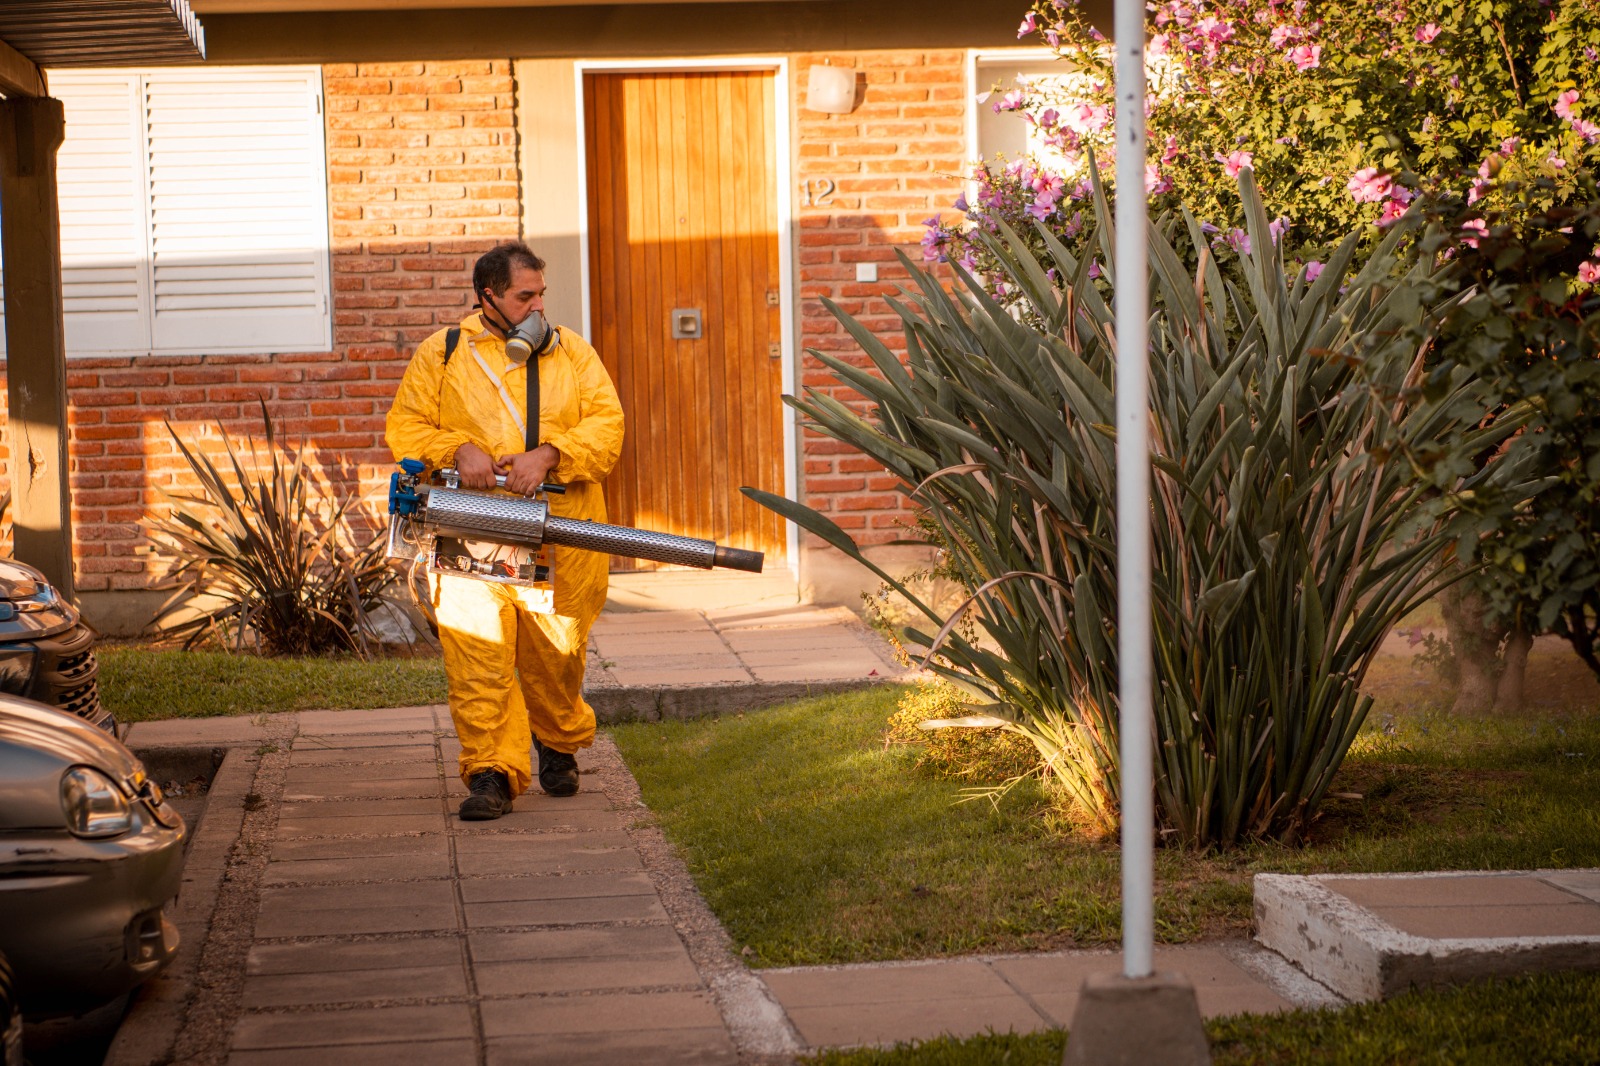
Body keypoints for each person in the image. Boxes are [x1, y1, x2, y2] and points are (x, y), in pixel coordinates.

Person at [386, 241, 624, 820]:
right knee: (477, 652)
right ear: (488, 296)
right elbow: (407, 425)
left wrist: (550, 455)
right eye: (526, 295)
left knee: (557, 653)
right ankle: (490, 771)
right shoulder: (443, 354)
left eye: (542, 293)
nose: (538, 305)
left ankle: (558, 738)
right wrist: (457, 447)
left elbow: (608, 424)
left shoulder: (572, 353)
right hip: (471, 528)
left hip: (562, 532)